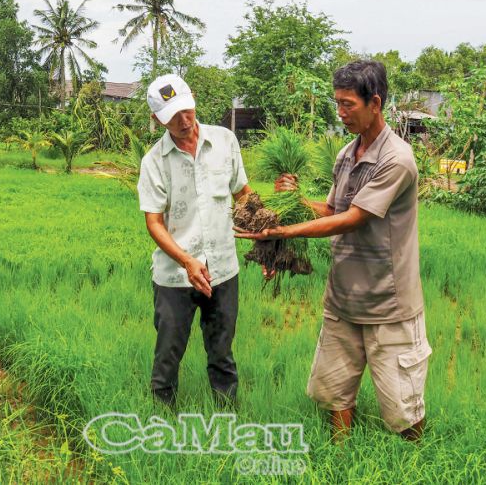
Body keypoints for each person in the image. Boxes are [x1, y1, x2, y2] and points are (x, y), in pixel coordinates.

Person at [236, 60, 430, 440]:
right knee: (335, 393)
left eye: (348, 105)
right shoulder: (346, 155)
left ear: (375, 103)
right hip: (342, 299)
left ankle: (416, 462)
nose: (340, 113)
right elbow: (332, 210)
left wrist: (285, 228)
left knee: (402, 409)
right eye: (337, 104)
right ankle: (339, 457)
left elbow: (354, 218)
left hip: (387, 305)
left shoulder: (397, 159)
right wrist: (297, 200)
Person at [137, 73, 254, 408]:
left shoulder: (225, 142)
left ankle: (227, 415)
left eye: (186, 109)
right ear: (156, 119)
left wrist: (269, 231)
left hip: (223, 269)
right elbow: (154, 223)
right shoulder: (154, 163)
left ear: (193, 100)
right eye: (172, 116)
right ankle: (161, 419)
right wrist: (187, 261)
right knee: (168, 355)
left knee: (222, 352)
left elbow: (242, 195)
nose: (184, 120)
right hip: (176, 276)